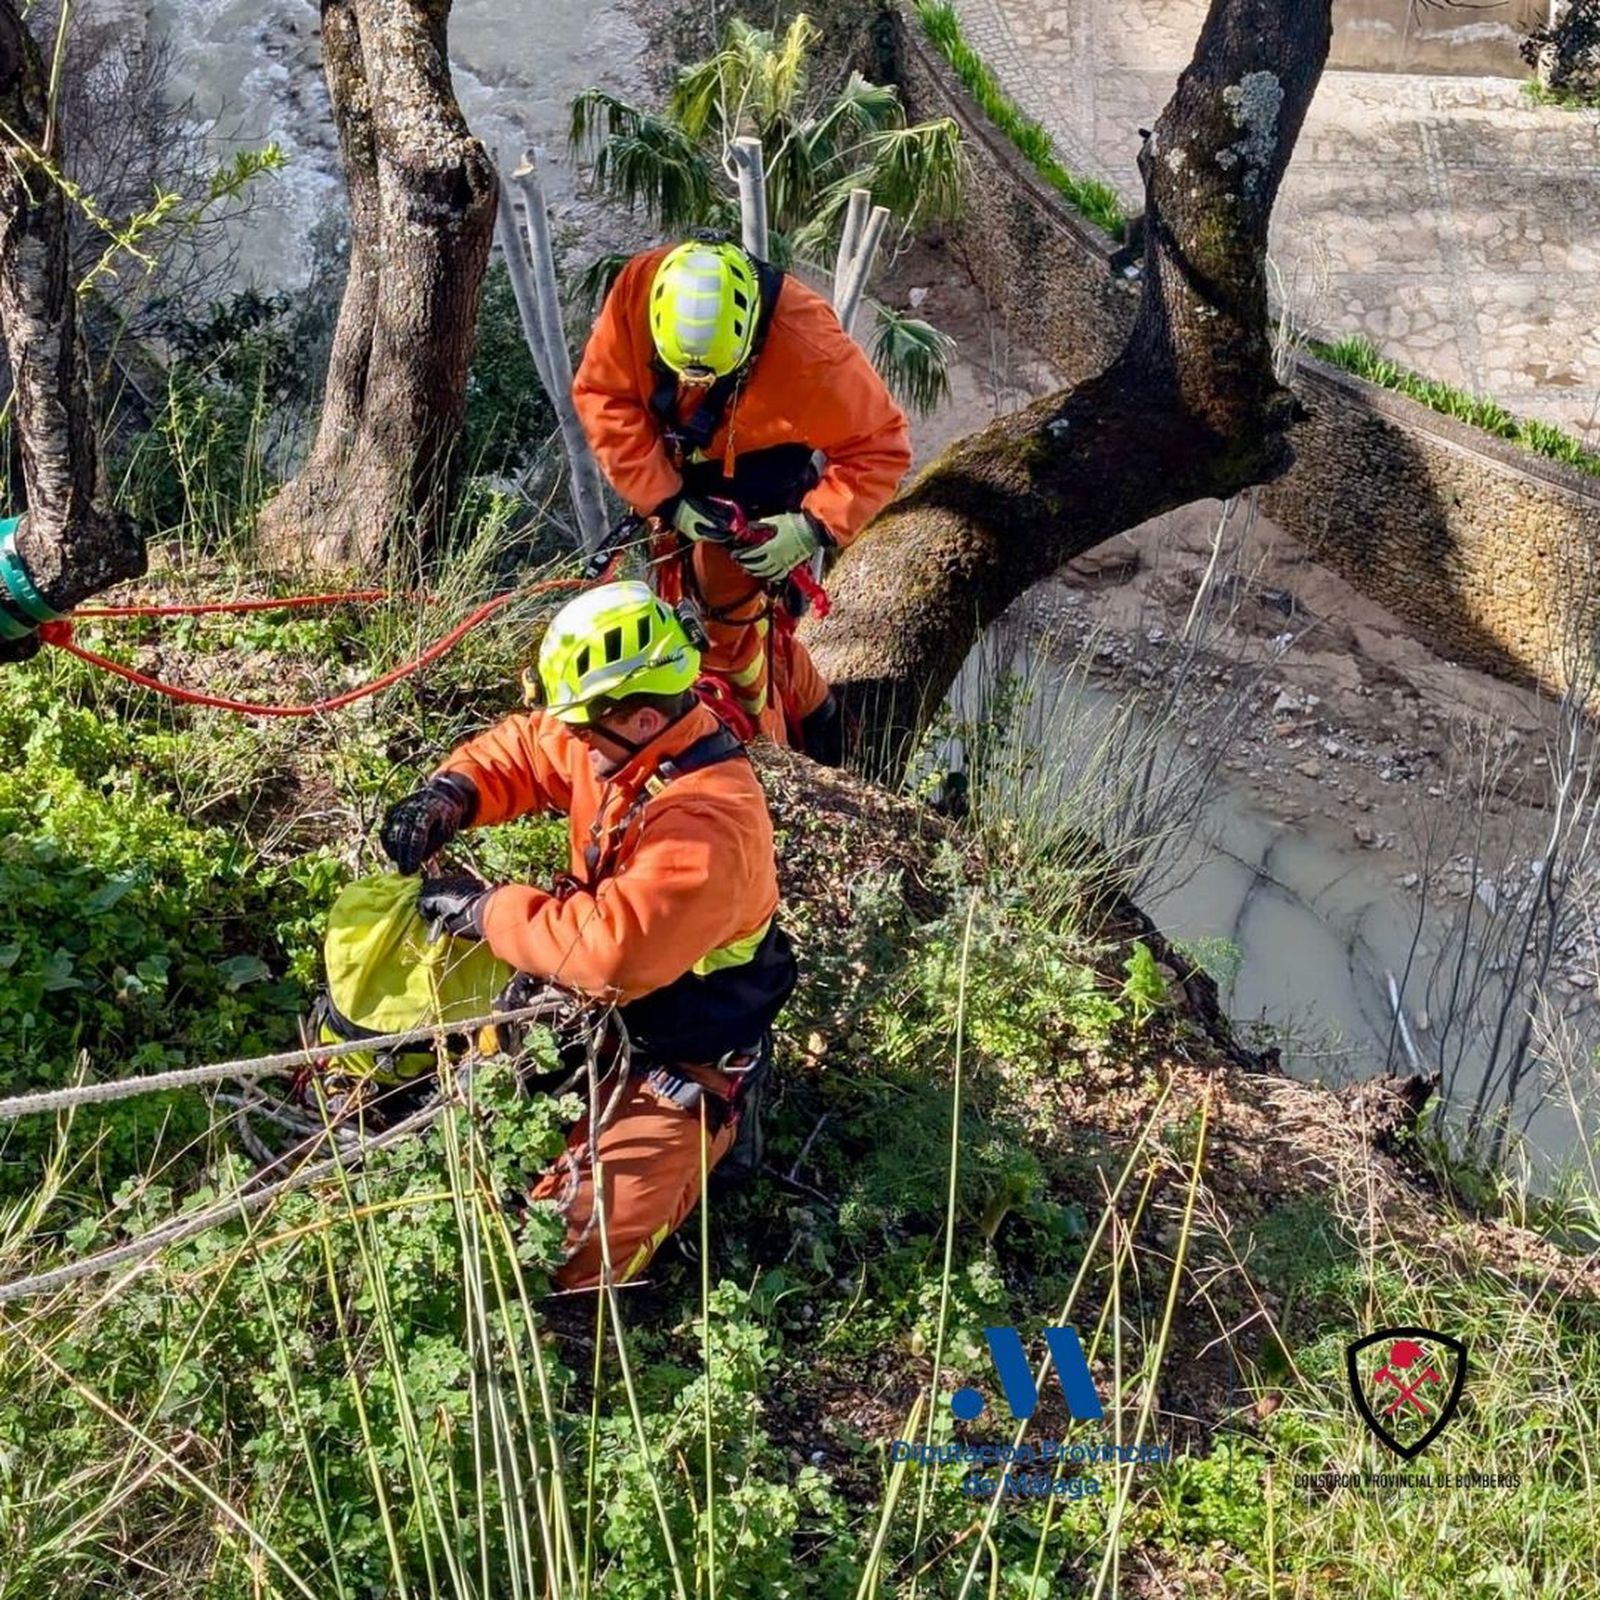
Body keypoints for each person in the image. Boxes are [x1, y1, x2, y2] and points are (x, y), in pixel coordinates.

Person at [377, 581, 797, 1290]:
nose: (565, 735)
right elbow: (528, 747)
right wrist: (451, 793)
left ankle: (716, 1127)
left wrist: (486, 911)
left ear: (636, 719)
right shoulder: (618, 741)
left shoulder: (709, 822)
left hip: (681, 1050)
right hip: (589, 1007)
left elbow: (609, 954)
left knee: (563, 1254)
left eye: (578, 723)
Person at [572, 235, 912, 763]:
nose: (691, 383)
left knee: (725, 644)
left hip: (760, 487)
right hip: (677, 475)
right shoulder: (639, 293)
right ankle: (822, 723)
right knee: (720, 626)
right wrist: (665, 498)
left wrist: (810, 527)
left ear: (748, 343)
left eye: (706, 375)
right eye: (683, 372)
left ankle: (765, 756)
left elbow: (881, 446)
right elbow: (605, 396)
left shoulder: (808, 348)